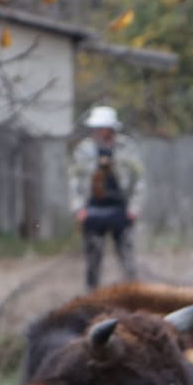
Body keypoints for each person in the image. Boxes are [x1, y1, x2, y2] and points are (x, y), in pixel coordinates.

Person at [69, 105, 145, 290]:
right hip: (93, 209)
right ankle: (91, 295)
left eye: (103, 127)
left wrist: (134, 209)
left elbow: (139, 180)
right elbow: (74, 181)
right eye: (97, 128)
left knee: (127, 258)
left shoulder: (127, 148)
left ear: (111, 128)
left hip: (120, 209)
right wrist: (79, 209)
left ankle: (134, 293)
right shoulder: (84, 150)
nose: (99, 131)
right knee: (93, 260)